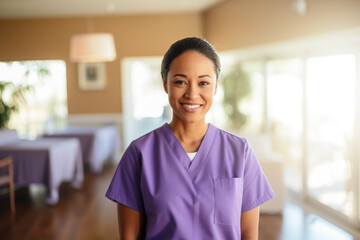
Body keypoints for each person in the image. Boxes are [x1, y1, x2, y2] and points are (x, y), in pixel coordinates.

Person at [106, 37, 274, 240]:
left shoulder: (240, 152)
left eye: (203, 82)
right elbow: (129, 237)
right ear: (165, 83)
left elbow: (248, 234)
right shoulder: (139, 153)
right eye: (180, 82)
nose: (192, 94)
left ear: (215, 87)